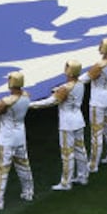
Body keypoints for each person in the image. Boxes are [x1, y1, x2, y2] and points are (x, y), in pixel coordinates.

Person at [0, 72, 35, 210]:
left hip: (6, 139)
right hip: (20, 135)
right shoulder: (26, 96)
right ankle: (28, 192)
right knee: (24, 166)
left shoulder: (7, 101)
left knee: (2, 171)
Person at [44, 60, 89, 190]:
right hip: (78, 120)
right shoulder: (80, 84)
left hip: (67, 124)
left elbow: (50, 102)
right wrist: (57, 90)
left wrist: (30, 105)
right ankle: (82, 176)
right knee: (80, 150)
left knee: (67, 154)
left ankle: (66, 183)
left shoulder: (66, 88)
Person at [85, 38, 107, 171]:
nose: (99, 47)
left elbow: (85, 79)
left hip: (98, 101)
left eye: (101, 45)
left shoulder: (99, 65)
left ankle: (93, 164)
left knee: (96, 133)